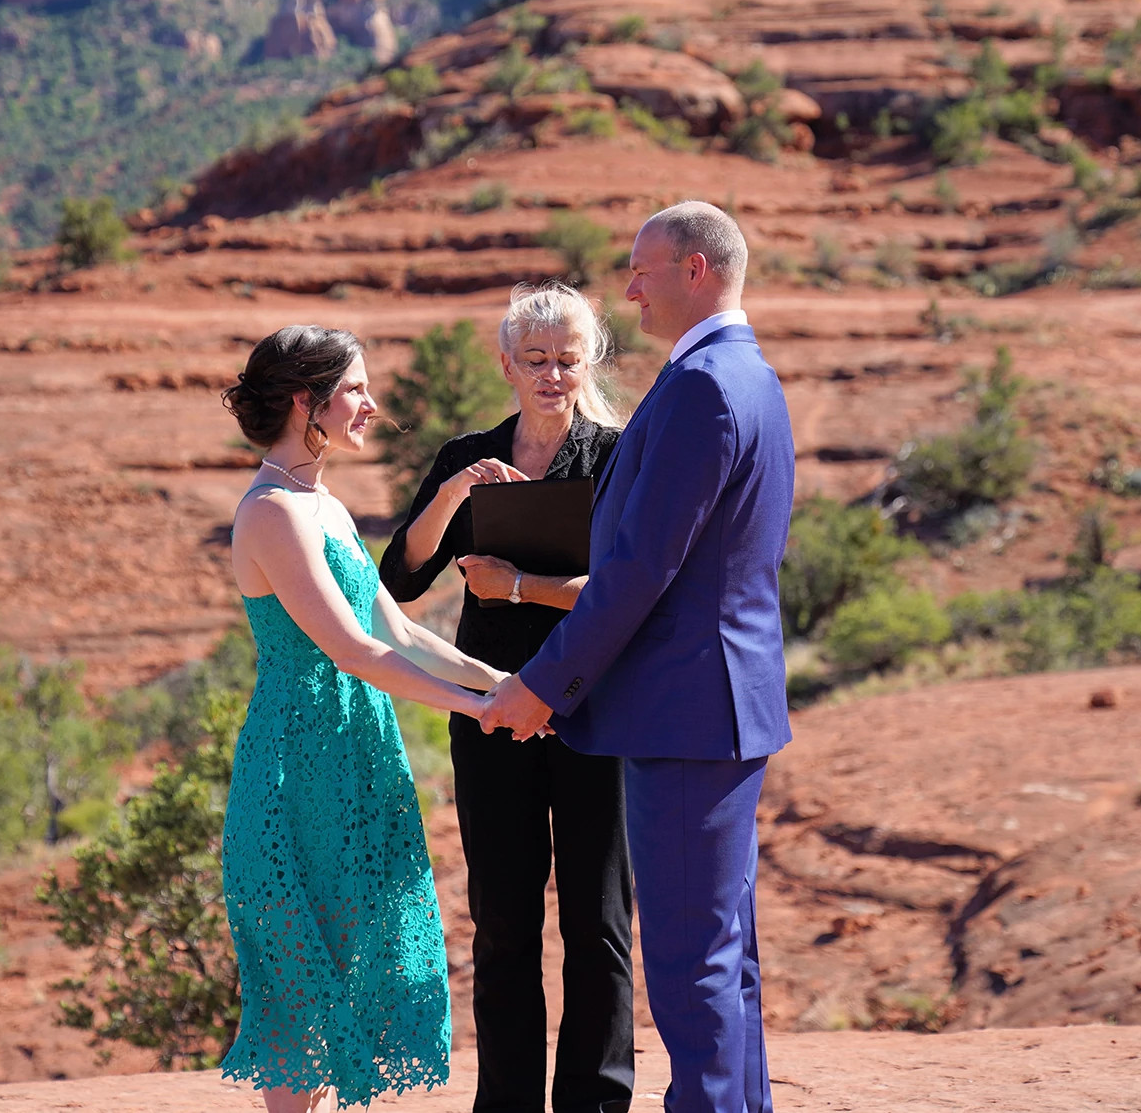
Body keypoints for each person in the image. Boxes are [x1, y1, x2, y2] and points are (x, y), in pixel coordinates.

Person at [479, 204, 796, 1113]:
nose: (627, 288)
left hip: (687, 713)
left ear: (695, 269)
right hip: (722, 703)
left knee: (693, 969)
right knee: (725, 959)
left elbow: (640, 570)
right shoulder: (746, 372)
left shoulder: (701, 385)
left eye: (640, 269)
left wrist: (541, 685)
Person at [219, 325, 505, 1113]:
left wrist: (510, 683)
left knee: (355, 958)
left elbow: (403, 634)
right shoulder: (272, 511)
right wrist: (482, 708)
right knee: (300, 980)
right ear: (306, 401)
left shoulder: (326, 506)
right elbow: (351, 651)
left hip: (357, 753)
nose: (372, 404)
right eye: (356, 389)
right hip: (296, 761)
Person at [378, 282, 635, 1113]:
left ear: (588, 360)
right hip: (488, 715)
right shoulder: (468, 454)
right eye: (535, 359)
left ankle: (595, 1100)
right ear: (505, 363)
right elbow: (403, 578)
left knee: (597, 924)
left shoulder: (617, 454)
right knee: (503, 922)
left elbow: (629, 592)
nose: (552, 374)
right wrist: (453, 492)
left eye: (566, 358)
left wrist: (520, 586)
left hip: (596, 709)